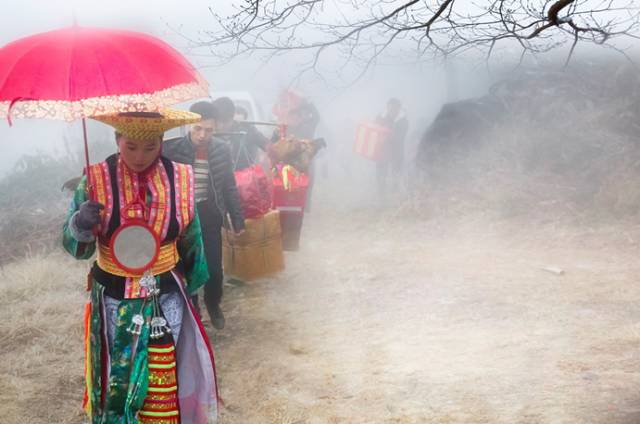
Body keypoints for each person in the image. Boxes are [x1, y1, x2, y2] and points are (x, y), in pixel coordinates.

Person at [63, 110, 218, 423]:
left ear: (162, 142)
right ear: (117, 139)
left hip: (166, 294)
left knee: (162, 367)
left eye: (150, 147)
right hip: (113, 295)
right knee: (117, 371)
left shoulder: (181, 178)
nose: (139, 156)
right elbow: (77, 249)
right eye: (130, 146)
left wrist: (194, 291)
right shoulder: (94, 180)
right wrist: (80, 223)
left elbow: (192, 239)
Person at [163, 101, 245, 330]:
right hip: (182, 218)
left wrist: (237, 219)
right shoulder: (171, 149)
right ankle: (194, 309)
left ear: (216, 128)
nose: (202, 135)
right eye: (198, 129)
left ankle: (213, 303)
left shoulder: (221, 149)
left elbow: (229, 185)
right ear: (189, 124)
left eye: (208, 130)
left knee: (214, 269)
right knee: (186, 267)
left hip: (209, 214)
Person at [212, 96, 269, 170]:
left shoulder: (247, 130)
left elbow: (268, 146)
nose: (221, 126)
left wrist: (277, 135)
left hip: (244, 177)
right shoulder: (208, 133)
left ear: (232, 118)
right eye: (218, 122)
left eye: (225, 122)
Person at [376, 97, 409, 198]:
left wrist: (386, 135)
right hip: (382, 151)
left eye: (395, 109)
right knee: (381, 174)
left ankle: (395, 196)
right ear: (387, 107)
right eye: (390, 109)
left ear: (399, 109)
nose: (392, 111)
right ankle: (381, 195)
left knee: (396, 174)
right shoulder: (380, 117)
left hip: (397, 152)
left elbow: (400, 137)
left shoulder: (403, 121)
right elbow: (374, 130)